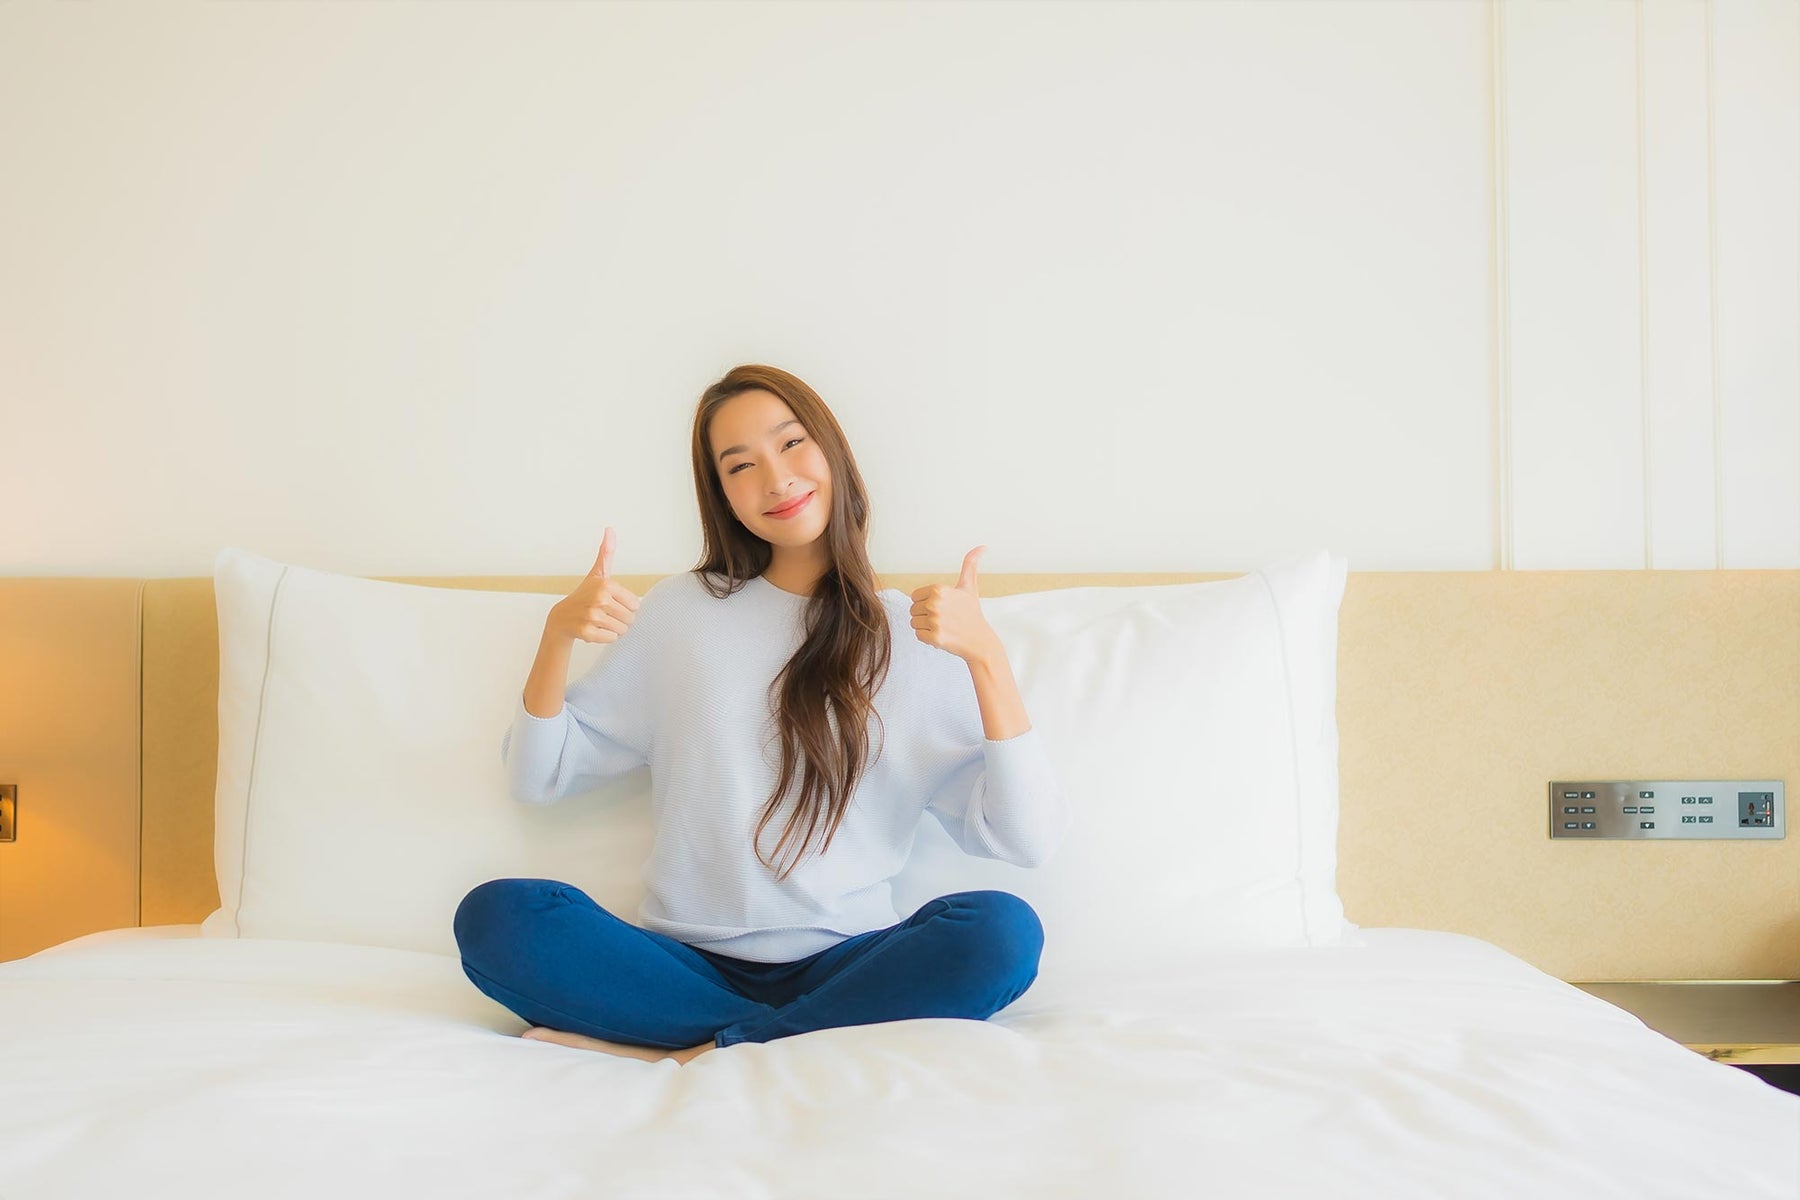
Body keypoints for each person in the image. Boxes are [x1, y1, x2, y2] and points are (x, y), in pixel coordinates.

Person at [453, 363, 1071, 1065]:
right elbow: (540, 778)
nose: (775, 479)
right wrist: (557, 635)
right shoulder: (682, 614)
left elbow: (1028, 840)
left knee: (1000, 932)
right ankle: (778, 1042)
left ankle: (692, 1053)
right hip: (681, 966)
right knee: (500, 917)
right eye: (740, 465)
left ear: (833, 452)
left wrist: (986, 658)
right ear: (721, 495)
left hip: (852, 962)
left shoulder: (915, 635)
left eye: (791, 444)